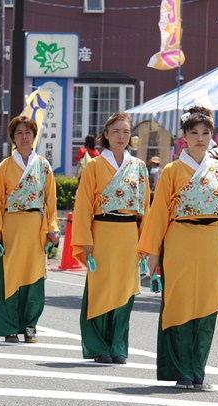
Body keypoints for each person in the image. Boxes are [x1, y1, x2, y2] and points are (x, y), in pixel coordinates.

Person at [138, 105, 218, 391]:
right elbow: (159, 214)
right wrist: (153, 255)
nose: (200, 138)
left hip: (212, 242)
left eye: (205, 133)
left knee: (208, 305)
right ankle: (183, 370)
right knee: (181, 303)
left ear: (212, 136)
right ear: (184, 136)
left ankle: (198, 370)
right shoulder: (172, 171)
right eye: (194, 132)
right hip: (180, 240)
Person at [72, 112, 150, 364]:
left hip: (129, 234)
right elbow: (83, 206)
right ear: (106, 135)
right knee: (101, 288)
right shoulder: (94, 166)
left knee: (125, 289)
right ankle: (98, 346)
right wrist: (86, 240)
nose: (121, 137)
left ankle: (118, 345)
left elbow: (145, 207)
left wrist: (146, 241)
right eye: (115, 131)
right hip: (102, 232)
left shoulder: (138, 167)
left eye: (126, 132)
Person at [0, 115, 59, 343]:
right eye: (19, 133)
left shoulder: (43, 166)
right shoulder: (5, 167)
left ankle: (30, 325)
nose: (24, 137)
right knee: (10, 276)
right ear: (13, 138)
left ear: (34, 136)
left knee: (34, 277)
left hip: (36, 227)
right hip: (11, 226)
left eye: (28, 133)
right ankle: (9, 326)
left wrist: (53, 229)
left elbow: (51, 201)